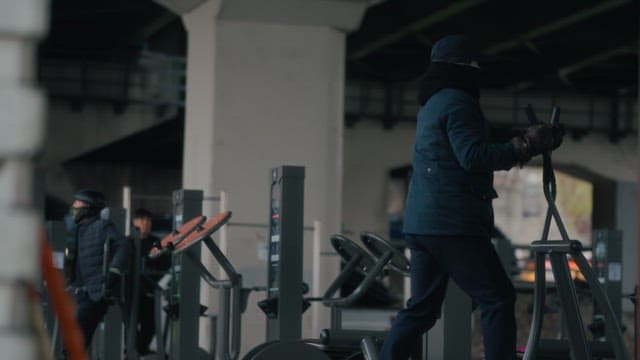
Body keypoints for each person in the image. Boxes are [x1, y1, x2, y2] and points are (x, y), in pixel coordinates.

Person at [379, 35, 564, 360]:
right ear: (462, 67)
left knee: (421, 309)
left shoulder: (434, 103)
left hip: (424, 224)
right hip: (454, 223)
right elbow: (474, 155)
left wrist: (523, 136)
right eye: (475, 64)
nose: (479, 70)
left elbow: (482, 135)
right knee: (497, 298)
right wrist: (526, 147)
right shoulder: (458, 101)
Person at [63, 189, 130, 352]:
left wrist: (114, 271)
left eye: (77, 204)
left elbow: (123, 245)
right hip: (78, 295)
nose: (73, 207)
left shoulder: (102, 226)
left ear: (88, 208)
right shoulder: (76, 230)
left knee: (74, 343)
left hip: (95, 295)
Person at [129, 208, 171, 355]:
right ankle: (133, 351)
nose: (146, 223)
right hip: (130, 292)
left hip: (149, 291)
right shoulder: (128, 243)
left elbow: (166, 263)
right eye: (142, 219)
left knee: (150, 326)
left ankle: (140, 350)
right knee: (131, 325)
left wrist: (154, 278)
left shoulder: (155, 243)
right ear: (134, 222)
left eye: (148, 220)